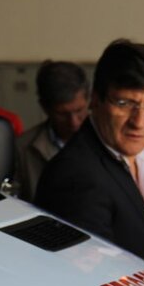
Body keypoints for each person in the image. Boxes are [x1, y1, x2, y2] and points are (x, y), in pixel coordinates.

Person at [35, 39, 144, 272]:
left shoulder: (143, 156)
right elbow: (92, 283)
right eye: (125, 103)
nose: (139, 122)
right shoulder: (75, 176)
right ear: (95, 101)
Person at [14, 60, 89, 201]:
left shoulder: (106, 141)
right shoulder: (23, 149)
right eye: (62, 114)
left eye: (79, 110)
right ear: (44, 108)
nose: (73, 122)